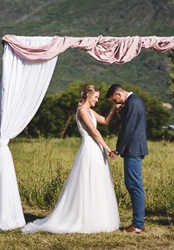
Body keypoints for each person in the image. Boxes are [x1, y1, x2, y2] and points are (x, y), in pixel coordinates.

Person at [21, 84, 120, 234]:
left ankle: (96, 217)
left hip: (96, 149)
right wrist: (108, 149)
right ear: (88, 95)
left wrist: (114, 109)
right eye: (96, 97)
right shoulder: (82, 111)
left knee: (97, 181)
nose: (97, 100)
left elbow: (105, 121)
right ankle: (83, 218)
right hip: (90, 148)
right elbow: (93, 131)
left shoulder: (90, 111)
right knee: (88, 182)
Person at [105, 84, 148, 234]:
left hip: (133, 149)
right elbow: (131, 124)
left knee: (134, 185)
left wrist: (117, 150)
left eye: (114, 99)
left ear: (118, 93)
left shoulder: (132, 102)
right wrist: (120, 114)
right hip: (134, 149)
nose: (115, 103)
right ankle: (138, 222)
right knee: (133, 185)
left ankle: (137, 224)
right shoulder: (133, 102)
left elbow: (128, 129)